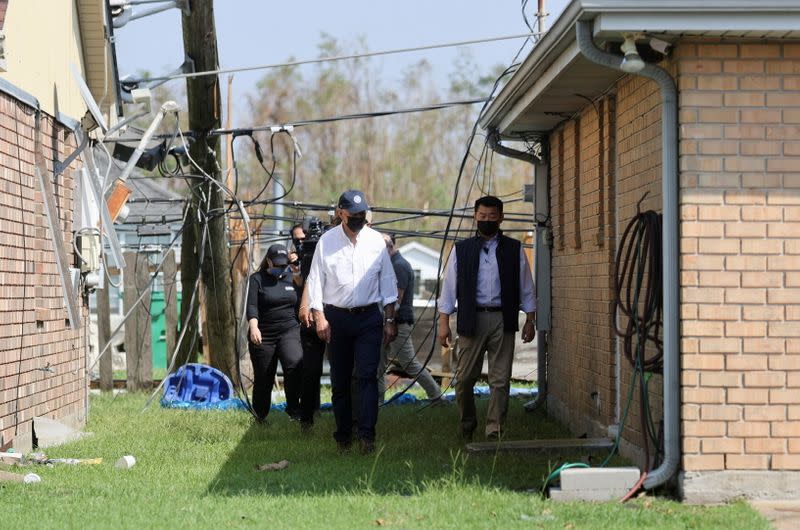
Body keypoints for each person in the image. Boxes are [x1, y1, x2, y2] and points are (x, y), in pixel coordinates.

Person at [306, 189, 398, 454]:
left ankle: (367, 435)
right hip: (337, 319)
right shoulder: (327, 242)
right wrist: (319, 316)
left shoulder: (375, 242)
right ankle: (343, 435)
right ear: (340, 213)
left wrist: (390, 319)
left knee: (368, 376)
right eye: (353, 214)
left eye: (362, 214)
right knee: (341, 380)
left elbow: (388, 283)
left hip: (369, 317)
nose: (359, 218)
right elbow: (315, 281)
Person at [438, 195, 536, 441]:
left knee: (500, 380)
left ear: (501, 218)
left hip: (503, 319)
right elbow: (449, 289)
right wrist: (443, 323)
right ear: (475, 216)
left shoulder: (514, 250)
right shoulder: (462, 250)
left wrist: (531, 320)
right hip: (472, 319)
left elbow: (526, 287)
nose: (487, 221)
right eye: (482, 217)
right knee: (463, 379)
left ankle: (495, 430)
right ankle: (467, 424)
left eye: (492, 217)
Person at [378, 233, 443, 403]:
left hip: (398, 322)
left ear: (390, 246)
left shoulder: (398, 266)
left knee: (409, 363)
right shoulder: (391, 264)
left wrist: (388, 321)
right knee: (379, 364)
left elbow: (396, 300)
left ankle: (436, 396)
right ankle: (377, 403)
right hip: (387, 321)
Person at [246, 244, 303, 422]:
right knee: (264, 377)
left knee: (294, 363)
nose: (279, 268)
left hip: (289, 329)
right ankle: (260, 416)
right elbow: (252, 306)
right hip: (264, 333)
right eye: (276, 264)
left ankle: (294, 409)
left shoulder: (291, 277)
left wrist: (295, 270)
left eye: (282, 265)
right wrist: (254, 327)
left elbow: (303, 295)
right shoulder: (256, 279)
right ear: (268, 261)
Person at [292, 223, 328, 431]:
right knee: (311, 370)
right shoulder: (307, 260)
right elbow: (308, 282)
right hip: (312, 321)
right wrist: (305, 307)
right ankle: (307, 417)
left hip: (334, 316)